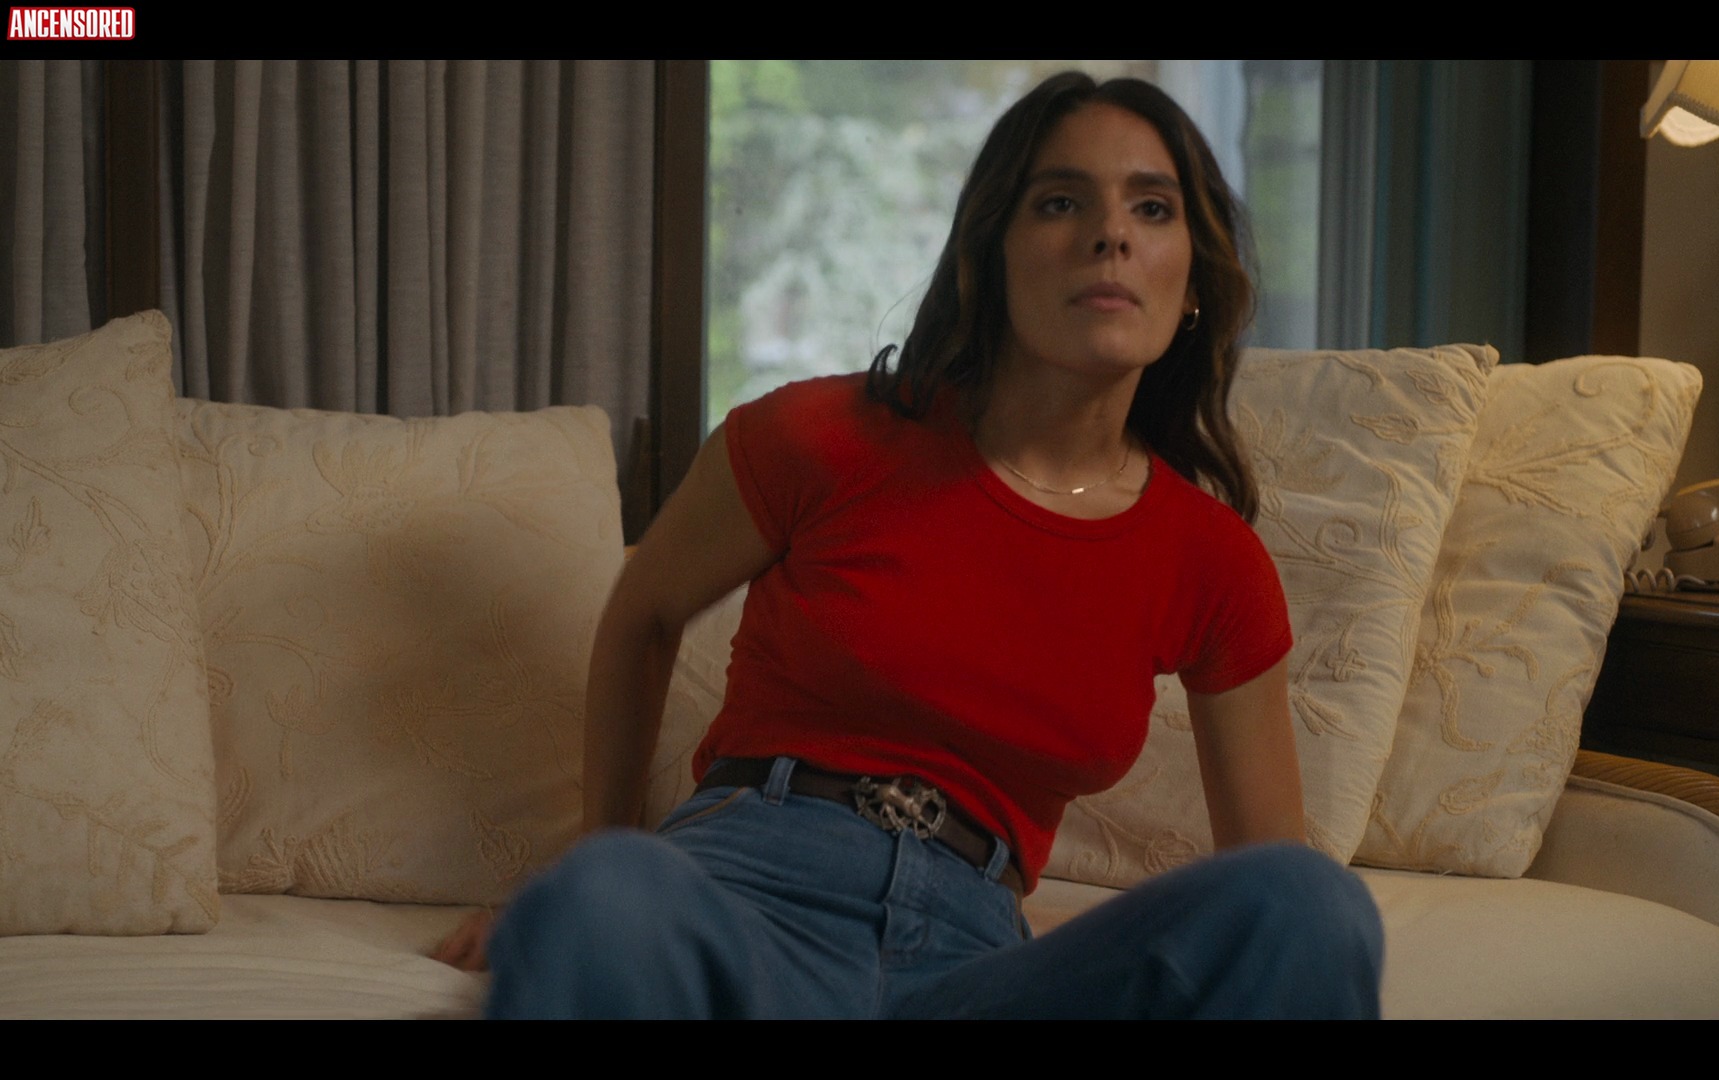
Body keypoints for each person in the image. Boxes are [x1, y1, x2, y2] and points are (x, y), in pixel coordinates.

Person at [435, 71, 1384, 1019]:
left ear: (1193, 281)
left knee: (1308, 904)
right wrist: (583, 864)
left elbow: (1265, 872)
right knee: (605, 893)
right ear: (991, 254)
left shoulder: (1210, 559)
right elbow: (643, 613)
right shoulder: (822, 438)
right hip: (745, 895)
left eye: (1152, 207)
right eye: (1061, 202)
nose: (1111, 234)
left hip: (971, 959)